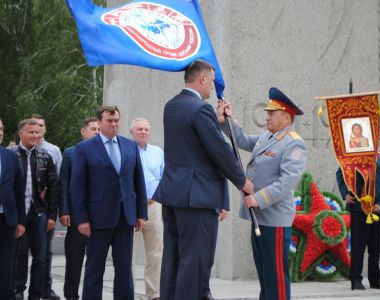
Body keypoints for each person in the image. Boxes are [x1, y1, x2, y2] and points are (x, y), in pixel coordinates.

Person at [154, 60, 253, 300]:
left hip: (173, 194)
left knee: (174, 258)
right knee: (195, 261)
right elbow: (217, 150)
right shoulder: (200, 109)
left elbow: (194, 145)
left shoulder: (172, 105)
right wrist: (243, 182)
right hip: (196, 197)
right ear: (201, 79)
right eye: (210, 80)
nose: (211, 87)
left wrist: (217, 122)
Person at [217, 87, 307, 300]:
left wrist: (256, 199)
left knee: (276, 277)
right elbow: (242, 140)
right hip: (259, 216)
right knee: (266, 275)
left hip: (274, 218)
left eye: (271, 113)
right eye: (267, 112)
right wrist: (226, 120)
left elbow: (285, 183)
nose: (266, 116)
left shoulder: (294, 143)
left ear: (286, 116)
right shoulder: (268, 136)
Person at [71, 105, 147, 300]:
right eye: (109, 121)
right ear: (99, 122)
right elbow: (78, 186)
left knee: (124, 269)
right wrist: (81, 219)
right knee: (95, 269)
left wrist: (140, 213)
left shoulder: (130, 146)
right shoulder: (84, 148)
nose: (114, 124)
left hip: (125, 216)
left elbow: (138, 181)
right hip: (97, 219)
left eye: (116, 121)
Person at [336, 125, 380, 290]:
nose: (378, 142)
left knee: (375, 248)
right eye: (376, 138)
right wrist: (345, 194)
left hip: (377, 211)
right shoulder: (356, 157)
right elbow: (340, 174)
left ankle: (376, 280)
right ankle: (356, 279)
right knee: (358, 247)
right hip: (359, 209)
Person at [13, 119, 59, 300]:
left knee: (41, 257)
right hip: (18, 214)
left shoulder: (45, 157)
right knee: (19, 254)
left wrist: (52, 216)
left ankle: (36, 294)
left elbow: (54, 188)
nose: (35, 136)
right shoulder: (11, 155)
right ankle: (17, 290)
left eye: (37, 133)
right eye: (31, 132)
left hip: (39, 213)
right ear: (20, 134)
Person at [59, 117, 100, 300]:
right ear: (83, 131)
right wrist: (65, 210)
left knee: (95, 259)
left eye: (99, 129)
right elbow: (64, 183)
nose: (97, 132)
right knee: (74, 259)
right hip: (76, 215)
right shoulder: (70, 153)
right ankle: (71, 295)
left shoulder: (104, 151)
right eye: (93, 128)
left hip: (99, 214)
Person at [130, 118, 163, 300]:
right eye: (140, 129)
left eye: (146, 129)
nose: (143, 132)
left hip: (154, 206)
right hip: (132, 208)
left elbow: (164, 177)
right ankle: (129, 292)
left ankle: (154, 293)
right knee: (129, 254)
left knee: (156, 253)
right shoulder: (126, 151)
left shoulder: (158, 152)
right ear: (131, 131)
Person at [31, 114, 62, 300]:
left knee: (45, 253)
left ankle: (45, 288)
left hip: (45, 211)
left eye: (41, 126)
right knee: (20, 253)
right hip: (25, 211)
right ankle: (17, 289)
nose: (38, 130)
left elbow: (56, 182)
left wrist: (54, 212)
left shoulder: (53, 151)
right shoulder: (16, 152)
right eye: (34, 127)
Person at [0, 118, 26, 299]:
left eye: (1, 128)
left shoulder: (10, 156)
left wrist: (21, 221)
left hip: (6, 221)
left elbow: (19, 191)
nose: (0, 132)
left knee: (6, 269)